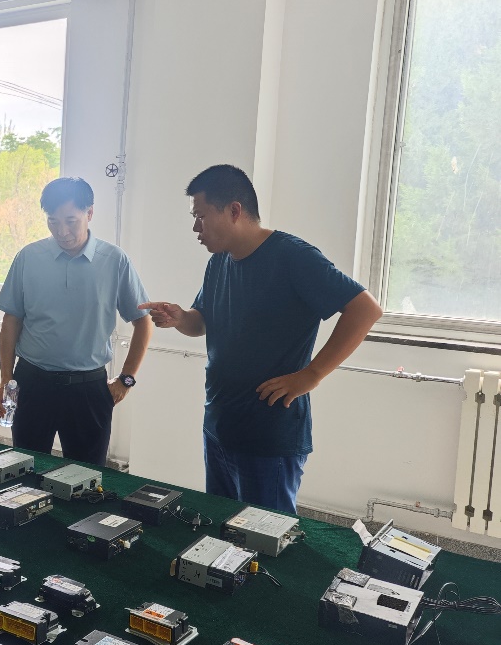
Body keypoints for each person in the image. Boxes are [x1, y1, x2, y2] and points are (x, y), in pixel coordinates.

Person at [140, 164, 382, 513]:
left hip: (269, 435)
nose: (196, 228)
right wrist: (180, 318)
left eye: (201, 217)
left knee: (264, 535)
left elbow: (365, 309)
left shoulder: (292, 256)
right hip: (220, 426)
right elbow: (202, 322)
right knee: (221, 527)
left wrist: (311, 375)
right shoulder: (219, 261)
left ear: (234, 210)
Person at [0, 176, 152, 465]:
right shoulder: (29, 257)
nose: (62, 231)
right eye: (53, 221)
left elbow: (143, 322)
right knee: (25, 468)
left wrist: (126, 379)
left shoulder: (114, 261)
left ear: (89, 213)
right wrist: (6, 378)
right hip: (32, 382)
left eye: (71, 221)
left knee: (86, 476)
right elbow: (11, 320)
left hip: (88, 388)